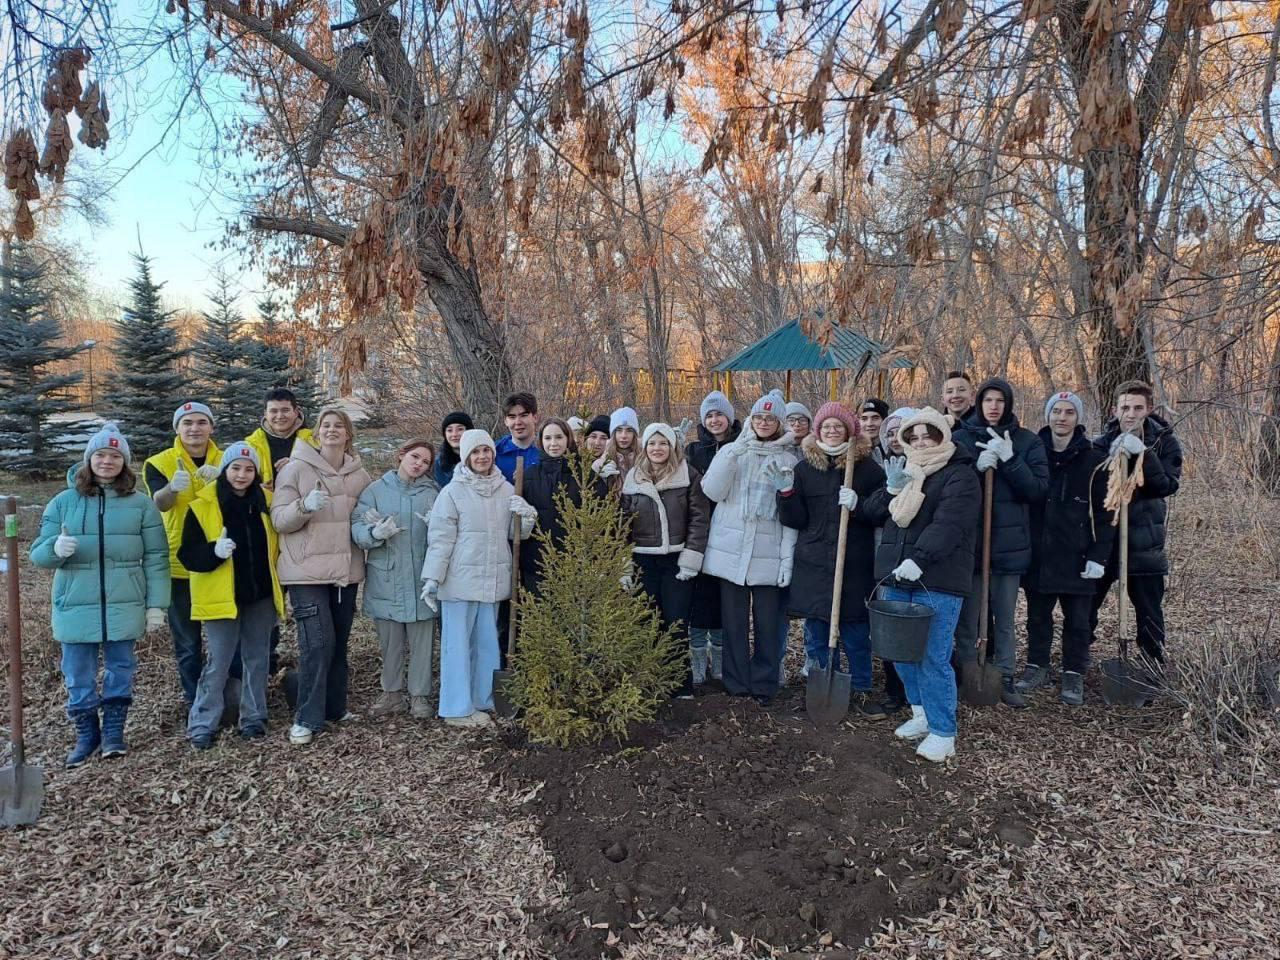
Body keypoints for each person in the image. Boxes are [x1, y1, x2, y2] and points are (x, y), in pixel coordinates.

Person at [31, 423, 170, 766]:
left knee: (121, 666)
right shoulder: (63, 502)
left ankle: (113, 732)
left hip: (125, 601)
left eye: (115, 456)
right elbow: (37, 555)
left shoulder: (141, 505)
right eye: (101, 455)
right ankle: (86, 733)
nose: (107, 462)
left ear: (124, 462)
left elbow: (157, 557)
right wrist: (55, 547)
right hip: (75, 602)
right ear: (88, 460)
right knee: (77, 671)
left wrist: (157, 605)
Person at [862, 408, 980, 763]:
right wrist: (889, 489)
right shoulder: (906, 472)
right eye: (913, 437)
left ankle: (944, 731)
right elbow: (872, 514)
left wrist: (921, 559)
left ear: (943, 436)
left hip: (938, 579)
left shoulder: (960, 476)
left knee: (933, 655)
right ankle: (921, 714)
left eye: (927, 435)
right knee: (900, 651)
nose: (920, 442)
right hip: (896, 574)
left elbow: (950, 523)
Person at [776, 402, 886, 717]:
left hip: (852, 564)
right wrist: (786, 494)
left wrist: (859, 504)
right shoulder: (804, 468)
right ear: (818, 430)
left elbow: (882, 511)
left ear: (849, 431)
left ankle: (862, 687)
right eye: (827, 426)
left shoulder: (866, 468)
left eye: (839, 426)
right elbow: (795, 520)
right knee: (817, 632)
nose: (833, 430)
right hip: (813, 564)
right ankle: (823, 680)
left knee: (854, 632)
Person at [271, 407, 373, 745]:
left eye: (338, 426)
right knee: (317, 644)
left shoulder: (359, 475)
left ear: (348, 434)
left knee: (338, 643)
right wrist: (303, 507)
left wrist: (375, 525)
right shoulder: (296, 469)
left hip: (344, 573)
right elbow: (279, 520)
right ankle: (306, 717)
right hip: (306, 572)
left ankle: (334, 707)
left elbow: (364, 517)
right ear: (316, 433)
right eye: (326, 425)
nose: (332, 430)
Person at [422, 429, 536, 727]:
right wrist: (432, 578)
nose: (482, 457)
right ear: (466, 456)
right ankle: (456, 708)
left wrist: (527, 516)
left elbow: (516, 536)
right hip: (459, 581)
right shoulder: (452, 492)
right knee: (458, 645)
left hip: (492, 579)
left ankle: (483, 698)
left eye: (486, 451)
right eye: (475, 452)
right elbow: (440, 539)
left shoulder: (506, 489)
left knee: (487, 643)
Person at [951, 377, 1049, 707]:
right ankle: (969, 675)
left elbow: (1036, 490)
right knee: (968, 620)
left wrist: (1010, 460)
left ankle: (1005, 676)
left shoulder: (1026, 441)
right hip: (970, 547)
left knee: (1004, 620)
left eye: (1000, 401)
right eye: (988, 400)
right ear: (978, 403)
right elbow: (951, 487)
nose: (994, 406)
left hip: (1009, 546)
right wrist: (976, 470)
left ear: (1008, 404)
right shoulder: (960, 438)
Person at [178, 442, 284, 748]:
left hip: (260, 595)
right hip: (221, 598)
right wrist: (214, 551)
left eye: (249, 469)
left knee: (257, 658)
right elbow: (188, 555)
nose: (242, 475)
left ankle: (253, 718)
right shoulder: (202, 505)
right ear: (225, 470)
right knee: (219, 661)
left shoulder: (266, 503)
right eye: (236, 468)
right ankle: (202, 723)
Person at [701, 389, 799, 705]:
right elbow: (712, 491)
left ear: (780, 423)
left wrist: (786, 562)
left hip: (767, 554)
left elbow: (790, 518)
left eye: (770, 418)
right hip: (731, 553)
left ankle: (764, 683)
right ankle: (737, 682)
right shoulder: (734, 451)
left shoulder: (789, 459)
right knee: (734, 624)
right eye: (759, 417)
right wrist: (730, 454)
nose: (764, 422)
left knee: (769, 625)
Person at [1016, 393, 1115, 705]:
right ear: (1048, 415)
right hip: (1040, 554)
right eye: (1056, 411)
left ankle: (1074, 673)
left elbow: (1106, 512)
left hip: (1079, 555)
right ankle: (1037, 666)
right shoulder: (1035, 452)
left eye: (1069, 412)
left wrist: (1099, 556)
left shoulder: (1094, 458)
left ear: (1078, 417)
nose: (1061, 417)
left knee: (1078, 620)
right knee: (1038, 616)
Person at [1088, 380, 1182, 663]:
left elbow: (1166, 484)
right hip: (1105, 543)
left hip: (1144, 542)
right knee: (1084, 606)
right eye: (1125, 407)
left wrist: (1144, 453)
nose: (1131, 414)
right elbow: (1093, 490)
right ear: (1115, 410)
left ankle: (1151, 667)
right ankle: (1076, 662)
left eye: (1137, 408)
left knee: (1149, 612)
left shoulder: (1165, 441)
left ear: (1149, 409)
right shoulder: (1102, 443)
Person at [620, 423, 712, 698]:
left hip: (676, 560)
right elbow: (622, 523)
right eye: (651, 444)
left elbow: (699, 519)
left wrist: (691, 557)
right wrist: (623, 564)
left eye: (663, 444)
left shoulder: (688, 476)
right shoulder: (633, 479)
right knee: (646, 623)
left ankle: (678, 684)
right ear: (644, 448)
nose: (657, 449)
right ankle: (648, 683)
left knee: (675, 622)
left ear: (672, 447)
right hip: (642, 560)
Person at [143, 401, 225, 710]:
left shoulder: (226, 458)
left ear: (211, 427)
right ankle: (195, 702)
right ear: (177, 428)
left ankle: (225, 697)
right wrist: (171, 489)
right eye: (187, 423)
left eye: (201, 422)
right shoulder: (159, 463)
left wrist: (224, 478)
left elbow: (248, 492)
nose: (194, 428)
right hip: (179, 565)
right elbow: (160, 504)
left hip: (220, 560)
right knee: (189, 643)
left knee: (224, 640)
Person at [352, 439, 440, 719]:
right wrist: (374, 534)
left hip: (420, 579)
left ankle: (419, 696)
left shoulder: (433, 493)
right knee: (390, 641)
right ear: (401, 455)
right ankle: (391, 694)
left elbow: (448, 531)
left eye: (425, 462)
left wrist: (434, 526)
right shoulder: (376, 490)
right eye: (415, 457)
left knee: (422, 641)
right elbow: (356, 527)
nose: (418, 464)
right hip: (386, 577)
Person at [685, 391, 740, 686]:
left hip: (731, 532)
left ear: (729, 418)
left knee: (723, 602)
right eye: (709, 415)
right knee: (699, 599)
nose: (715, 420)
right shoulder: (695, 451)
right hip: (700, 531)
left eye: (719, 414)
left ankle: (719, 659)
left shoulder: (741, 446)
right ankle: (697, 660)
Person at [519, 418, 582, 596]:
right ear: (541, 441)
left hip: (575, 565)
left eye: (559, 437)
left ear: (568, 439)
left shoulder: (584, 476)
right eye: (547, 438)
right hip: (537, 564)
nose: (553, 443)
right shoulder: (529, 476)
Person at [245, 387, 315, 492]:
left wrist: (298, 464)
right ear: (265, 414)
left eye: (285, 410)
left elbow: (328, 474)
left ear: (295, 412)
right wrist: (254, 490)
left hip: (305, 504)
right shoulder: (252, 445)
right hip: (266, 506)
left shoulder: (312, 440)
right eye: (273, 411)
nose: (279, 416)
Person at [592, 406, 640, 495]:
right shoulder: (602, 462)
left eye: (629, 430)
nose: (624, 435)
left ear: (635, 434)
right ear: (613, 434)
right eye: (619, 430)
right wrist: (599, 474)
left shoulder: (643, 458)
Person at [496, 392, 541, 482]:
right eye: (512, 417)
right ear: (505, 421)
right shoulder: (494, 452)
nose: (518, 422)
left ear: (535, 417)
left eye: (523, 415)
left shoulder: (548, 451)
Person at [434, 411, 474, 488]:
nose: (454, 434)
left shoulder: (482, 457)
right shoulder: (439, 464)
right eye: (449, 430)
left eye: (460, 429)